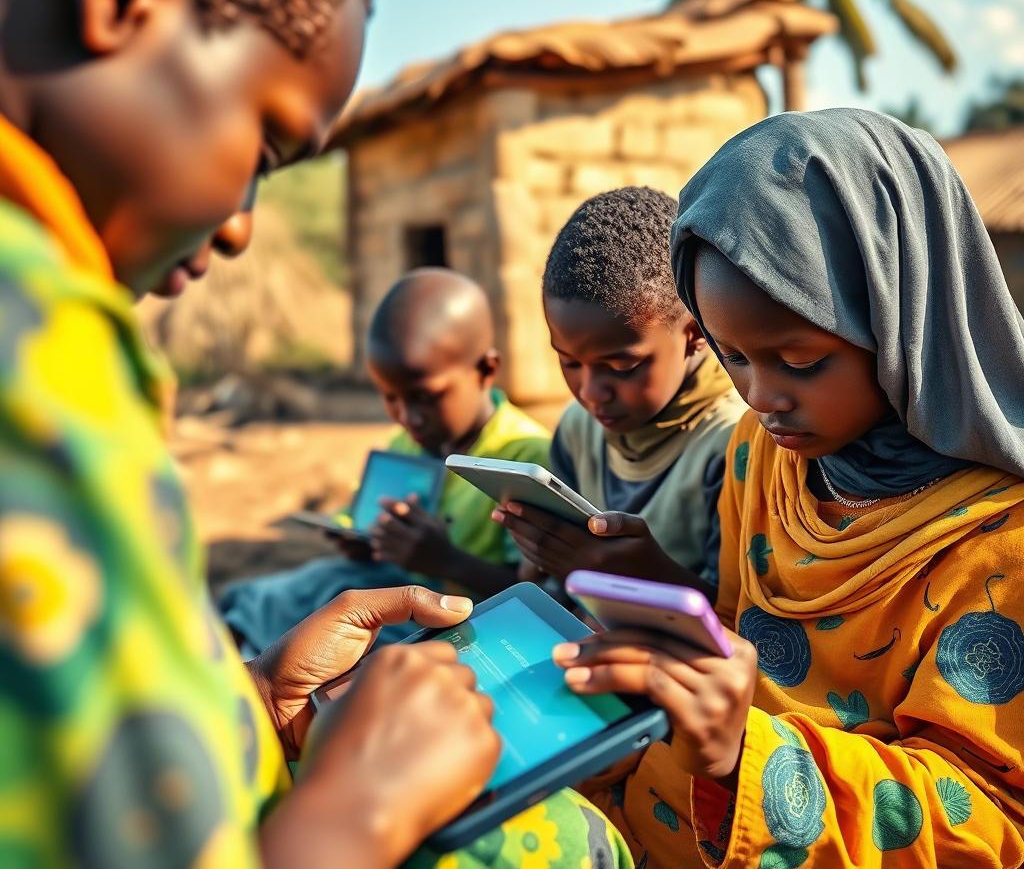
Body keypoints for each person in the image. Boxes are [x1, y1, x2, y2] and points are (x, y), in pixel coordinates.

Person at [0, 0, 630, 866]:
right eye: (263, 146)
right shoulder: (40, 347)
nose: (245, 223)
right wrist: (359, 811)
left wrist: (256, 703)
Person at [548, 109, 1024, 868]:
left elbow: (989, 822)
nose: (761, 395)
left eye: (799, 361)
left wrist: (749, 755)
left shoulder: (1002, 549)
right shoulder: (762, 459)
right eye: (733, 357)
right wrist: (663, 596)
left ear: (902, 316)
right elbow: (740, 645)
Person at [219, 267, 551, 655]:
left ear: (485, 370)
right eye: (391, 398)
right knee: (302, 586)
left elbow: (540, 596)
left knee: (365, 643)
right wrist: (362, 541)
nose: (408, 417)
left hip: (464, 620)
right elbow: (367, 528)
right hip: (390, 585)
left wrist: (447, 561)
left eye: (427, 398)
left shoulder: (525, 458)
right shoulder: (407, 443)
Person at [497, 187, 746, 592]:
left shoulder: (735, 444)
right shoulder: (579, 428)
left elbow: (744, 622)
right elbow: (558, 587)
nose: (592, 392)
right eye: (569, 362)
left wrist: (643, 577)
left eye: (622, 366)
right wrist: (542, 558)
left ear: (696, 333)